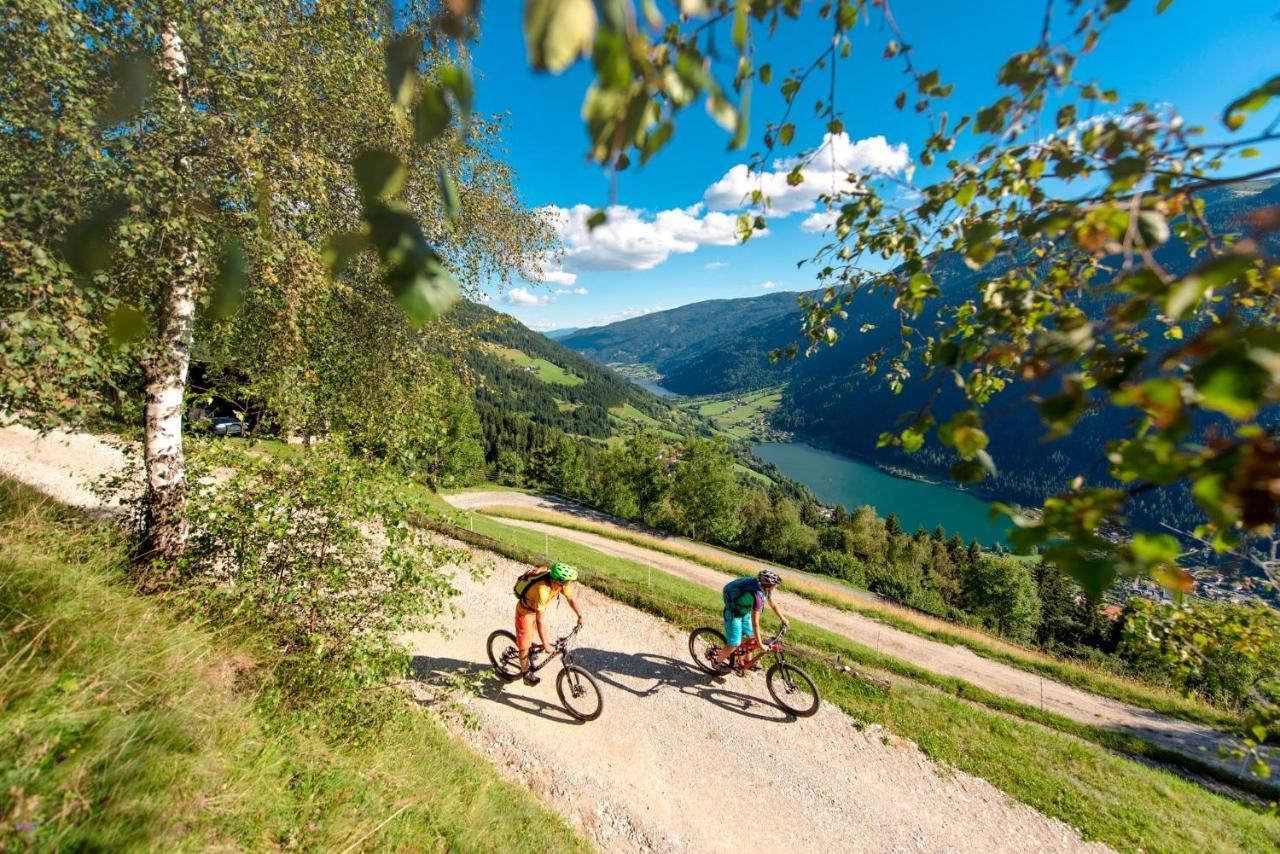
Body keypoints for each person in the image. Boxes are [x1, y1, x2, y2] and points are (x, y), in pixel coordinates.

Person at [515, 562, 583, 686]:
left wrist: (580, 615)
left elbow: (571, 599)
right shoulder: (543, 591)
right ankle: (526, 674)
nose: (568, 584)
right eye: (566, 582)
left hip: (536, 608)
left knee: (534, 636)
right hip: (525, 612)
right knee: (524, 645)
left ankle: (531, 649)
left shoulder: (560, 585)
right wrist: (546, 645)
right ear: (557, 581)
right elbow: (540, 620)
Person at [713, 569, 789, 670]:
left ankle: (747, 662)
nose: (776, 586)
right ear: (769, 585)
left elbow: (773, 604)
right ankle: (716, 662)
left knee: (751, 637)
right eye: (775, 584)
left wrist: (783, 619)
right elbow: (755, 623)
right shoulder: (757, 596)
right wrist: (760, 644)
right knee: (734, 644)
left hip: (744, 612)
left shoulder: (765, 589)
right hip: (733, 614)